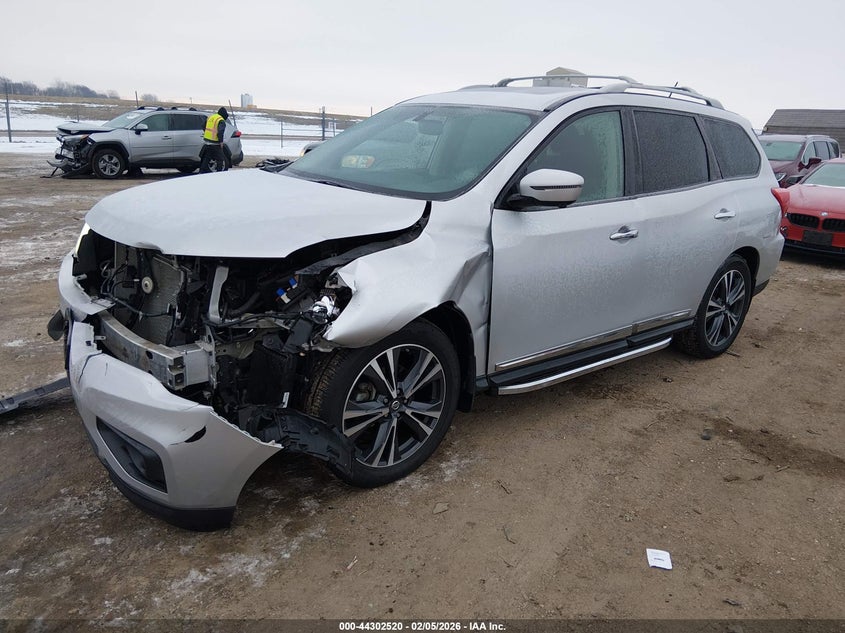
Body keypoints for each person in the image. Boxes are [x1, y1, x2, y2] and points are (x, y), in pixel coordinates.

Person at [200, 107, 229, 173]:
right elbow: (220, 132)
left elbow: (203, 126)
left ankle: (201, 171)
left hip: (207, 141)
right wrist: (221, 142)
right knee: (220, 159)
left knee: (207, 157)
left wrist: (207, 134)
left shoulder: (211, 117)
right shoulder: (221, 120)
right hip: (215, 143)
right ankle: (219, 173)